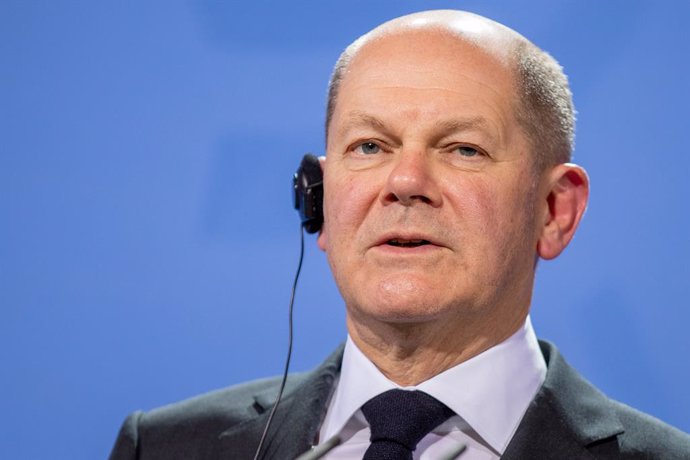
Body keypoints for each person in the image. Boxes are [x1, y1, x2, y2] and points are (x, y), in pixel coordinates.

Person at [109, 10, 690, 460]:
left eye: (464, 148)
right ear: (318, 199)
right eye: (369, 146)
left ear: (554, 210)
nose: (405, 182)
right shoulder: (164, 447)